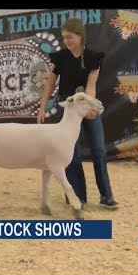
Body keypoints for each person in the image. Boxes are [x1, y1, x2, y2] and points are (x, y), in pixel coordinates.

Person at [37, 18, 118, 209]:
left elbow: (91, 87)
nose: (66, 40)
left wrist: (90, 108)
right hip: (68, 107)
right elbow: (49, 83)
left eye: (70, 37)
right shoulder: (59, 57)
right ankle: (78, 197)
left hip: (86, 105)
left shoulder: (93, 58)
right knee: (71, 154)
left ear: (80, 36)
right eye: (64, 37)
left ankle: (106, 196)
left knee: (98, 150)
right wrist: (42, 107)